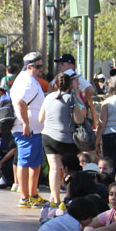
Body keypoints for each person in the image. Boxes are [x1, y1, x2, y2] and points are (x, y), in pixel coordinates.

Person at [39, 72, 83, 208]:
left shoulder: (48, 98)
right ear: (70, 85)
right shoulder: (71, 99)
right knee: (69, 170)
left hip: (48, 136)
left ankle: (55, 198)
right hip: (66, 139)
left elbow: (41, 119)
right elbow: (79, 119)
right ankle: (68, 197)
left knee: (54, 168)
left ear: (55, 84)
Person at [11, 52, 47, 208]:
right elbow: (20, 102)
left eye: (41, 66)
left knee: (34, 162)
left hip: (34, 129)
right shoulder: (27, 81)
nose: (41, 69)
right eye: (37, 67)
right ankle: (24, 197)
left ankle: (32, 194)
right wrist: (25, 123)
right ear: (28, 66)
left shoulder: (30, 80)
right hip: (26, 129)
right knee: (25, 161)